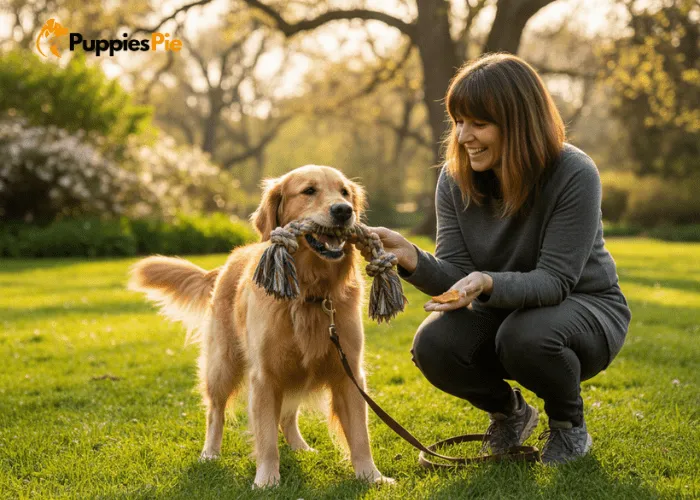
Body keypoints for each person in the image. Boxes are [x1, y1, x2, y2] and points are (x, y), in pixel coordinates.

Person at [363, 53, 631, 464]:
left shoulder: (574, 172)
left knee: (525, 335)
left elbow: (556, 280)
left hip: (584, 309)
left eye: (479, 123)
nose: (463, 136)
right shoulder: (455, 178)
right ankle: (510, 414)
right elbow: (455, 273)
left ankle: (567, 427)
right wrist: (410, 258)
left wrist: (486, 281)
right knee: (432, 343)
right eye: (458, 122)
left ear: (519, 123)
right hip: (504, 311)